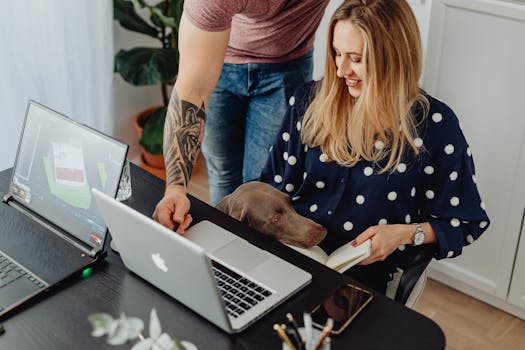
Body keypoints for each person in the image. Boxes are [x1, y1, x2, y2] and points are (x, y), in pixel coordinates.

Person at [259, 0, 490, 294]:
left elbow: (465, 222)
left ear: (394, 58)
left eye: (355, 58)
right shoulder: (308, 101)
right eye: (336, 53)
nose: (341, 70)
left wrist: (403, 235)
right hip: (291, 255)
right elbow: (271, 186)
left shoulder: (436, 127)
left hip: (363, 280)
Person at [153, 0, 330, 231]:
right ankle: (224, 248)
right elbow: (191, 92)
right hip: (217, 58)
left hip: (288, 64)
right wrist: (175, 189)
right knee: (223, 172)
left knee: (263, 185)